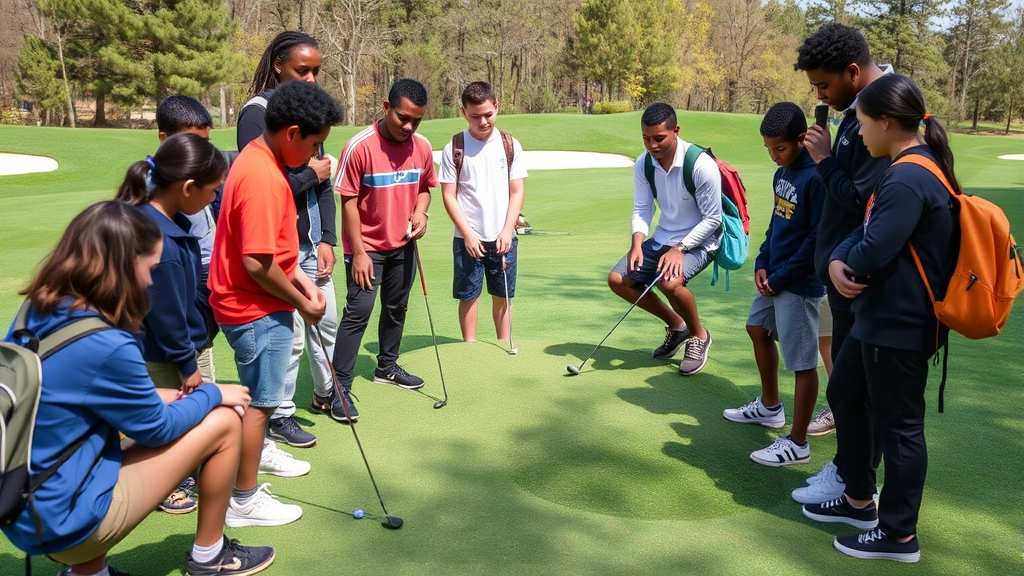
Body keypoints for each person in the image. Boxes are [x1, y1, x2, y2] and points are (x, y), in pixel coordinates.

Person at [1, 201, 273, 576]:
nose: (150, 281)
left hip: (21, 501)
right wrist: (212, 393)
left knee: (108, 437)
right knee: (224, 421)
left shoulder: (38, 308)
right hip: (62, 520)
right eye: (149, 268)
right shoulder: (108, 342)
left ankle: (87, 572)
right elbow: (156, 428)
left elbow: (84, 400)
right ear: (124, 268)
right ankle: (210, 556)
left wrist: (180, 397)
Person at [802, 73, 954, 563]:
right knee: (845, 391)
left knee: (901, 428)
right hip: (878, 316)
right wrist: (836, 259)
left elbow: (875, 247)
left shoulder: (910, 174)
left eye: (864, 123)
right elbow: (864, 231)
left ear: (887, 122)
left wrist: (845, 261)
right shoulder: (899, 166)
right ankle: (858, 499)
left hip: (902, 322)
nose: (859, 133)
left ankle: (899, 536)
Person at [209, 80, 341, 526]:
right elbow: (257, 264)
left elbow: (277, 255)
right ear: (291, 133)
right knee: (261, 404)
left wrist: (305, 283)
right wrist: (302, 303)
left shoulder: (258, 158)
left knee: (260, 400)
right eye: (313, 143)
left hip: (259, 302)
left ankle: (251, 474)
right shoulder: (264, 176)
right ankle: (244, 501)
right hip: (255, 308)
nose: (315, 154)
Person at [790, 23, 892, 505]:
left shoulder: (884, 109)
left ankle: (857, 486)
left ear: (853, 72)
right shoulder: (853, 109)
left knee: (854, 390)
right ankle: (849, 471)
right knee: (849, 388)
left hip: (856, 275)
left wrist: (825, 158)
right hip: (837, 266)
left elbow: (860, 198)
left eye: (823, 85)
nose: (819, 95)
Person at [115, 132, 227, 515]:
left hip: (171, 348)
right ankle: (166, 483)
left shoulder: (167, 219)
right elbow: (165, 314)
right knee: (165, 421)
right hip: (164, 353)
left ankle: (177, 473)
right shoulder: (156, 237)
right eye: (213, 190)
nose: (215, 198)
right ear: (188, 187)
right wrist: (187, 364)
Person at [237, 31, 337, 450]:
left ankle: (328, 392)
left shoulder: (311, 109)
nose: (312, 78)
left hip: (313, 241)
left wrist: (329, 237)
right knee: (291, 336)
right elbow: (268, 185)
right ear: (278, 64)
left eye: (316, 71)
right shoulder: (256, 114)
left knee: (326, 321)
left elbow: (325, 181)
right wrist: (310, 175)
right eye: (302, 70)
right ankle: (280, 414)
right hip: (280, 247)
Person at [723, 102, 825, 466]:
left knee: (801, 363)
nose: (773, 156)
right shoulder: (782, 173)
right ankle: (769, 407)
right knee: (756, 328)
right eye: (768, 149)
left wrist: (780, 276)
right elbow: (776, 225)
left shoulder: (815, 177)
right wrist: (763, 262)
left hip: (799, 283)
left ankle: (797, 443)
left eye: (779, 148)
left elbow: (816, 239)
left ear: (801, 140)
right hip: (775, 275)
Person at [331, 78, 438, 422]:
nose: (408, 127)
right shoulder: (359, 146)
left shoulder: (420, 147)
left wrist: (421, 211)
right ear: (386, 107)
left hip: (403, 246)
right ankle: (339, 391)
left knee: (397, 307)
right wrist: (359, 253)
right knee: (358, 313)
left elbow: (425, 188)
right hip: (367, 250)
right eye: (402, 118)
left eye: (416, 121)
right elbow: (347, 203)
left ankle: (386, 367)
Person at [606, 103, 720, 375]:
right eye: (646, 138)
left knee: (670, 283)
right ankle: (677, 326)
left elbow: (713, 219)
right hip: (662, 239)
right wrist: (636, 244)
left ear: (675, 131)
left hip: (701, 241)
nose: (652, 145)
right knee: (618, 280)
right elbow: (642, 208)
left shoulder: (701, 164)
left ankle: (699, 335)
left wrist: (680, 249)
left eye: (659, 138)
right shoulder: (644, 163)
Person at [439, 81, 527, 342]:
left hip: (504, 237)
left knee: (502, 296)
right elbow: (448, 196)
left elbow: (517, 191)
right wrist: (467, 234)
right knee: (469, 295)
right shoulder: (454, 148)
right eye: (475, 116)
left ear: (497, 107)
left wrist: (508, 230)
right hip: (468, 238)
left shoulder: (510, 145)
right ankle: (470, 348)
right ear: (463, 112)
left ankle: (504, 346)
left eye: (488, 114)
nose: (483, 121)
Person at [155, 96, 220, 385]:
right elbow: (165, 307)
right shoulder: (162, 223)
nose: (201, 154)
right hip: (186, 314)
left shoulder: (194, 178)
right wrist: (186, 361)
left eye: (205, 144)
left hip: (204, 292)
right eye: (193, 143)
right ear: (164, 140)